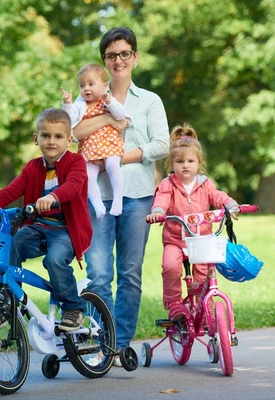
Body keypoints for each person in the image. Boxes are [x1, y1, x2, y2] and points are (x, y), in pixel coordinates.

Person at [72, 26, 169, 359]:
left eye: (124, 53)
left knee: (130, 273)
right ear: (104, 61)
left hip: (138, 194)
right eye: (111, 55)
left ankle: (120, 344)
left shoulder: (150, 101)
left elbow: (162, 145)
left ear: (135, 57)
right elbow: (74, 133)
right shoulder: (90, 95)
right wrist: (110, 122)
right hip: (97, 194)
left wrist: (117, 157)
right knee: (99, 273)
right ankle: (103, 340)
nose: (118, 60)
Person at [0, 108, 92, 332]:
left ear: (69, 140)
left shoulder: (76, 162)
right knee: (11, 246)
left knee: (54, 260)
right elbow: (10, 192)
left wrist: (53, 196)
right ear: (36, 138)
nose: (51, 141)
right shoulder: (32, 168)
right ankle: (8, 304)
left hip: (66, 230)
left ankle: (73, 308)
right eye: (45, 136)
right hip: (38, 228)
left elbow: (74, 186)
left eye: (58, 136)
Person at [146, 124, 239, 321]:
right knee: (170, 267)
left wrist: (230, 205)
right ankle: (174, 305)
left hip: (202, 240)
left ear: (199, 163)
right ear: (171, 164)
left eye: (190, 161)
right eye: (180, 161)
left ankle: (205, 307)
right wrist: (157, 211)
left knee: (204, 273)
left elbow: (217, 196)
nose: (185, 165)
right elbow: (161, 200)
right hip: (175, 240)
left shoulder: (205, 184)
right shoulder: (167, 185)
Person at [61, 63, 128, 220]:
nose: (86, 89)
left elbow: (121, 115)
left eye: (91, 84)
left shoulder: (107, 101)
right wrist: (67, 104)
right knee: (88, 176)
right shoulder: (80, 105)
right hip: (89, 148)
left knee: (113, 166)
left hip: (109, 144)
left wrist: (109, 101)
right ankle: (98, 205)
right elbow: (69, 121)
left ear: (104, 86)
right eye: (82, 86)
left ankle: (118, 199)